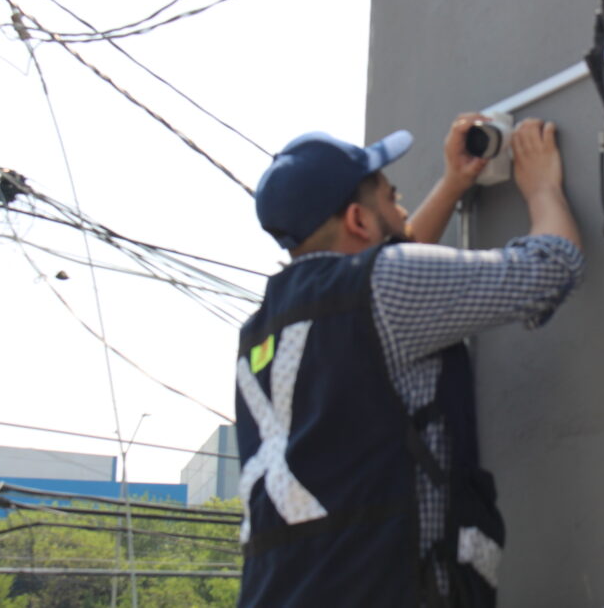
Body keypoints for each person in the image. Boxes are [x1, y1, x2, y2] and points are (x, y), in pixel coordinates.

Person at [235, 114, 584, 607]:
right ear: (358, 220)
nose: (402, 211)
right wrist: (543, 188)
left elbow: (386, 284)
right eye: (392, 197)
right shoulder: (384, 287)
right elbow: (552, 267)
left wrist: (454, 184)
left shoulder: (262, 330)